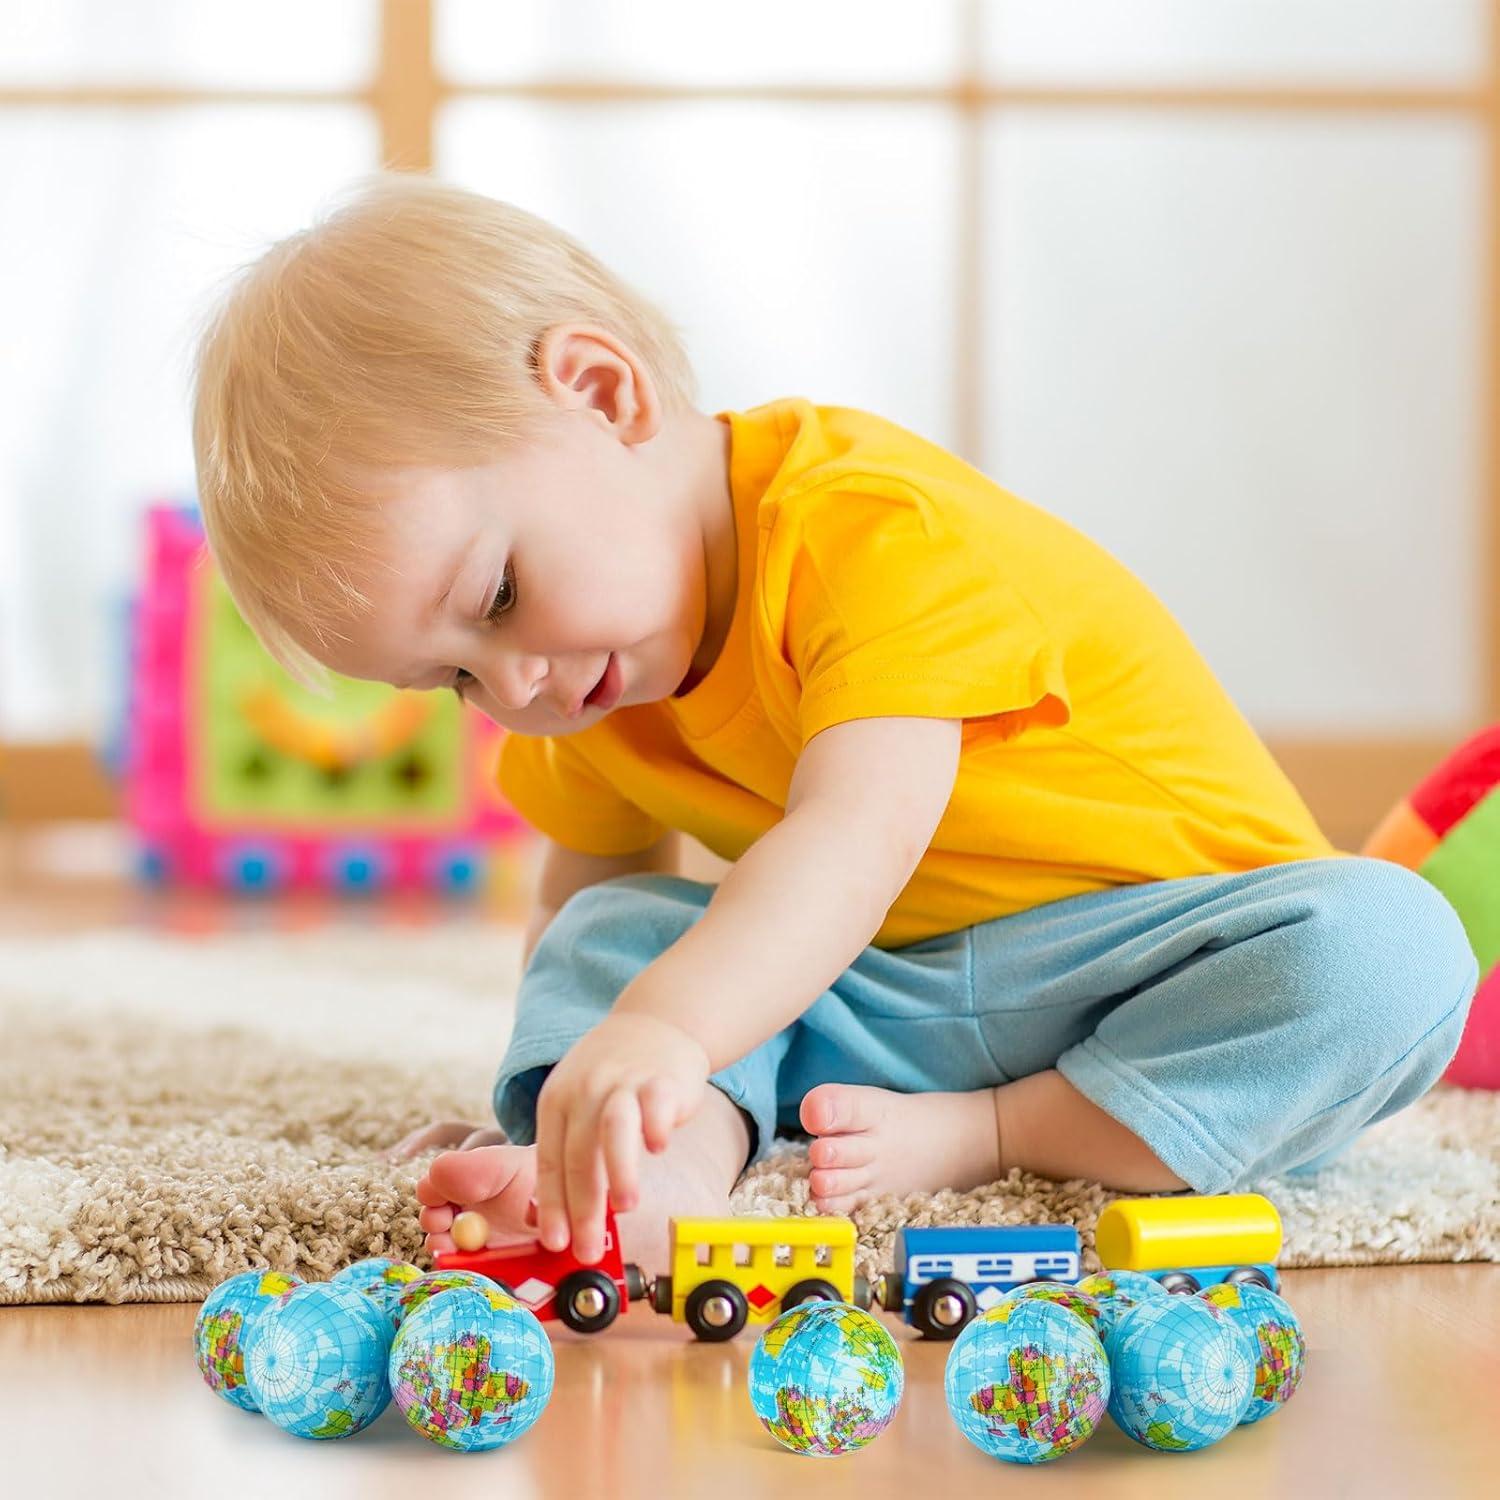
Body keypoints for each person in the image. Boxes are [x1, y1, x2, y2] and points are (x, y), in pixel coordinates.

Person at [192, 172, 1476, 1276]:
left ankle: (1012, 1131)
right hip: (879, 1000)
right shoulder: (580, 678)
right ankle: (649, 1181)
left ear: (601, 391)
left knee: (1390, 950)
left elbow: (852, 844)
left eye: (496, 598)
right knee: (608, 932)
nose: (509, 689)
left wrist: (670, 1029)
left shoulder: (868, 532)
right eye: (452, 681)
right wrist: (579, 1088)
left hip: (1150, 968)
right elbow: (588, 901)